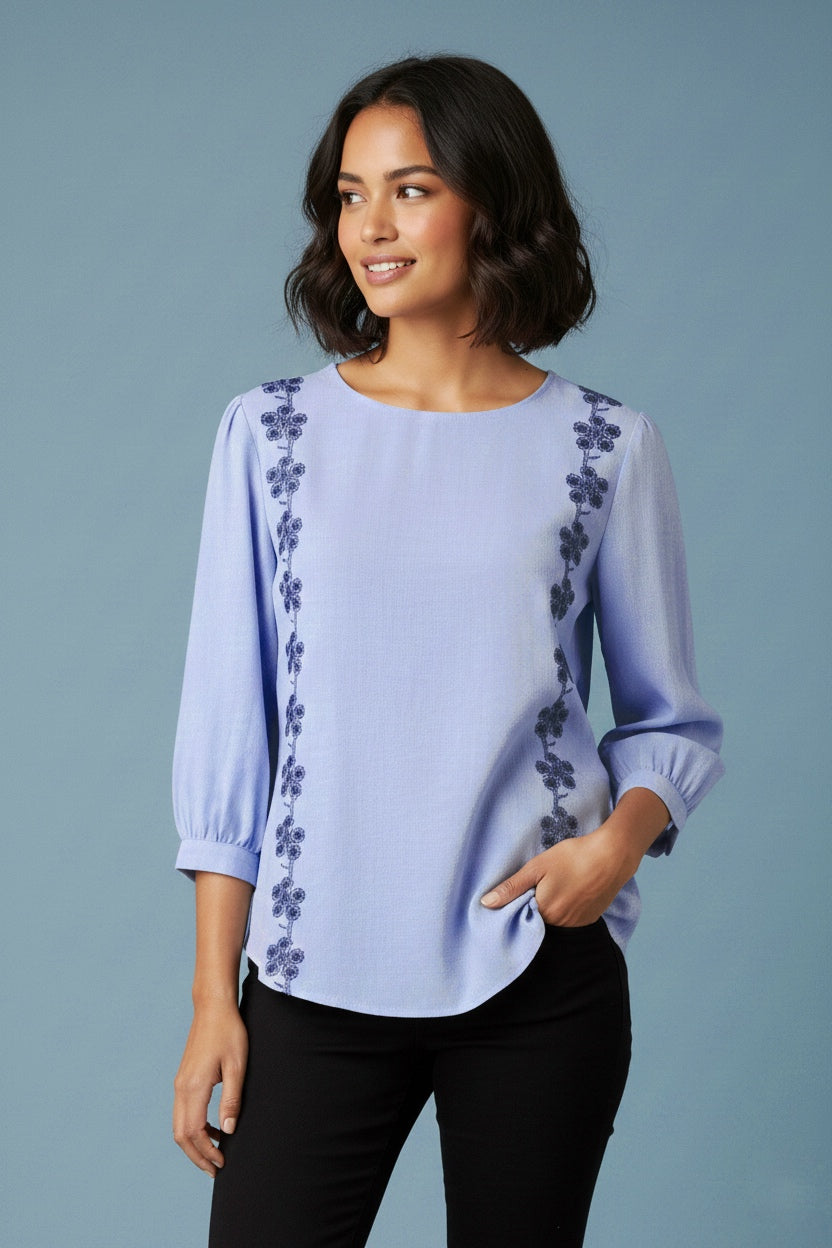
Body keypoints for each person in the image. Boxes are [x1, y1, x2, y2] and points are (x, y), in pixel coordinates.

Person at [171, 54, 724, 1248]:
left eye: (411, 189)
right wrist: (216, 995)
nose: (370, 225)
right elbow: (229, 731)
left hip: (537, 972)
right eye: (350, 194)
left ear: (493, 203)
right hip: (313, 969)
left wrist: (612, 853)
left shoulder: (605, 446)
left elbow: (668, 721)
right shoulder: (269, 435)